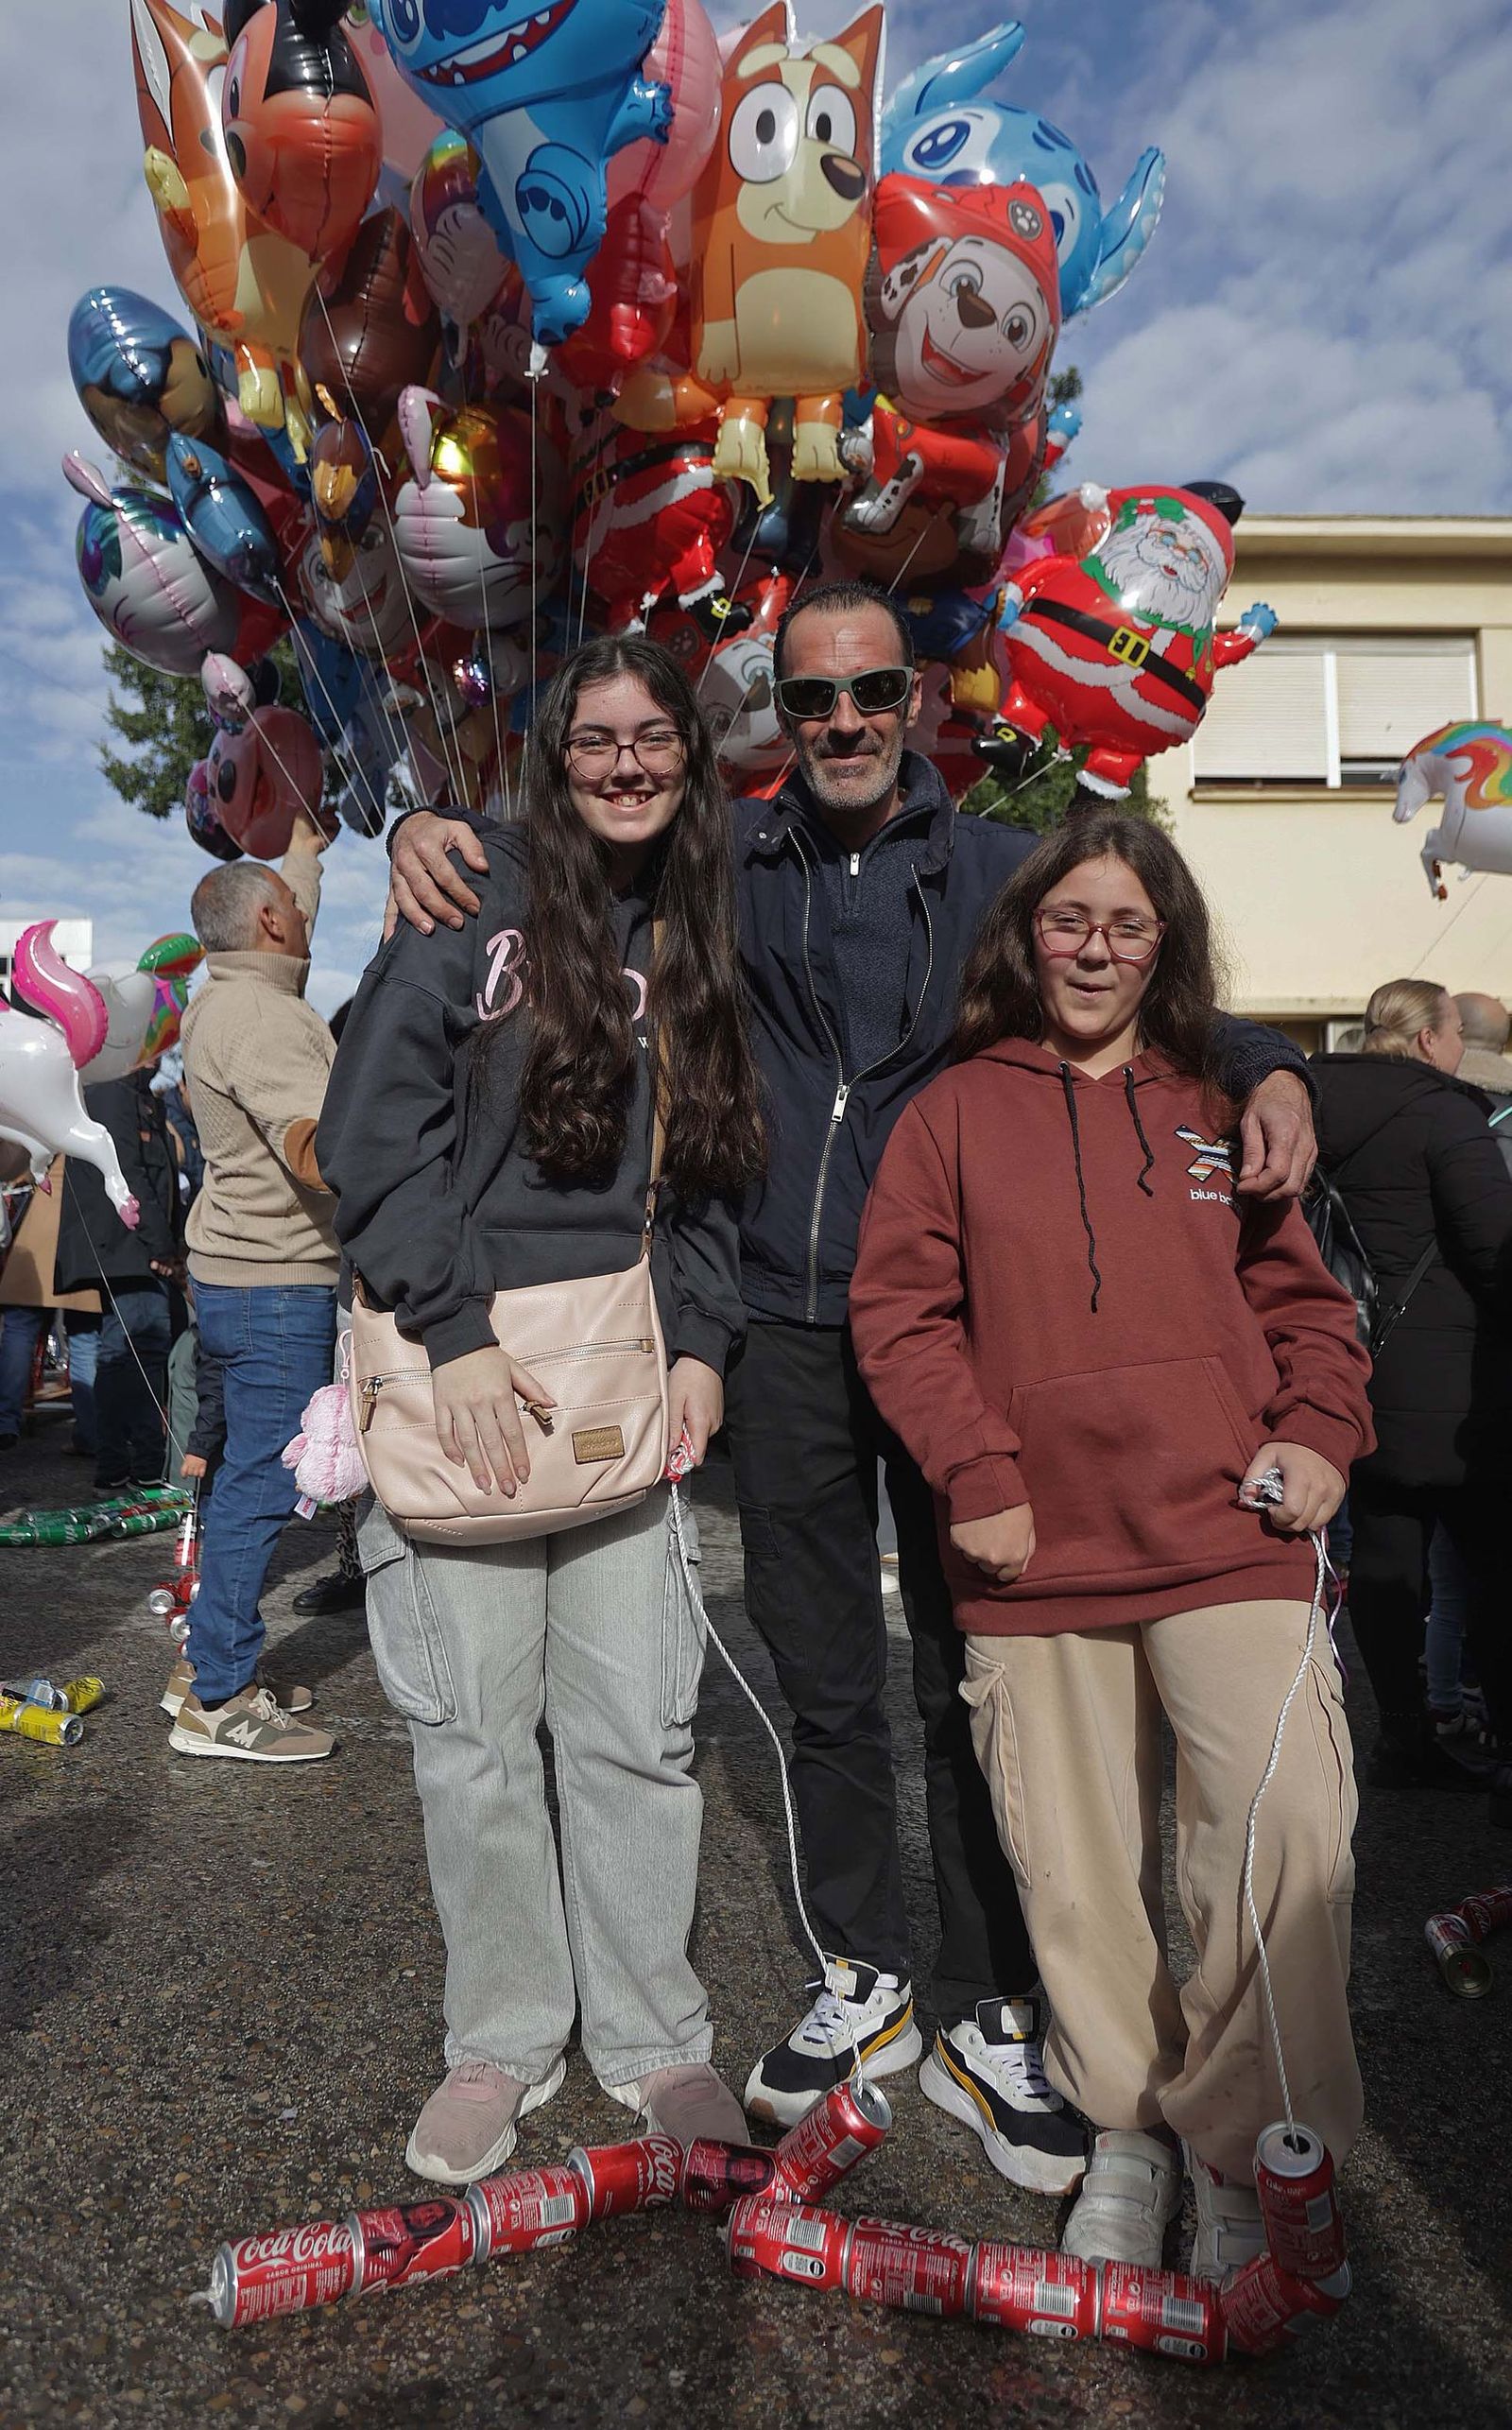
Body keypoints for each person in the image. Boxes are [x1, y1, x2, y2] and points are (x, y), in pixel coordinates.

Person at [387, 578, 1317, 2186]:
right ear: (784, 714)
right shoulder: (731, 856)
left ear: (917, 702)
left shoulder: (997, 868)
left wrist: (1273, 1059)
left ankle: (990, 2000)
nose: (842, 723)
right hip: (779, 1320)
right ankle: (867, 1972)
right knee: (823, 1675)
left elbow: (1137, 970)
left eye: (872, 692)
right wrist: (438, 827)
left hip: (961, 1326)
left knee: (976, 1667)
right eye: (811, 699)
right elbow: (592, 824)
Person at [849, 816, 1372, 2284]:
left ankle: (1245, 2144)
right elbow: (900, 1314)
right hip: (1032, 1556)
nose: (1095, 947)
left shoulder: (1221, 1098)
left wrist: (1323, 1433)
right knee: (1076, 1878)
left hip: (1232, 1531)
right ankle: (1127, 2129)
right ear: (1028, 937)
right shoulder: (952, 1113)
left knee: (1284, 1843)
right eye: (1069, 919)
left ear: (1165, 945)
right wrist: (975, 1466)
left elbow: (1310, 1309)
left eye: (1127, 923)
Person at [318, 634, 765, 2181]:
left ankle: (655, 2037)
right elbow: (370, 1131)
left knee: (639, 1737)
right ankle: (504, 2037)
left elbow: (709, 1163)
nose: (629, 761)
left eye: (656, 735)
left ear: (690, 756)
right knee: (476, 1748)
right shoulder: (470, 891)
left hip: (620, 1374)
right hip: (464, 1371)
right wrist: (451, 1333)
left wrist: (704, 1341)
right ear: (552, 758)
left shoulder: (698, 918)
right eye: (596, 738)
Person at [1312, 981, 1512, 1804]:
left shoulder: (1309, 1101)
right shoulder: (1444, 1115)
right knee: (1493, 1567)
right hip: (1461, 1382)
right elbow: (1498, 1251)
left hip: (1352, 1363)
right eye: (1457, 1031)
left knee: (1386, 1557)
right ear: (1430, 1038)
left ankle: (1401, 1735)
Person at [168, 819, 337, 1762]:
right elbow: (321, 1155)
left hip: (236, 1277)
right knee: (260, 1490)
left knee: (241, 1480)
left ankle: (204, 1663)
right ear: (269, 923)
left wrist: (302, 852)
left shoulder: (227, 995)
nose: (302, 918)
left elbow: (286, 916)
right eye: (291, 908)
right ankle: (219, 1700)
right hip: (278, 1284)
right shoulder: (267, 1020)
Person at [54, 1070, 184, 1492]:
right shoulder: (113, 1092)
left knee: (123, 1351)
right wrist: (161, 1245)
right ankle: (142, 1465)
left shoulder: (132, 1093)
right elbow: (128, 1173)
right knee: (140, 1349)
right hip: (127, 1245)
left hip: (130, 1245)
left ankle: (119, 1465)